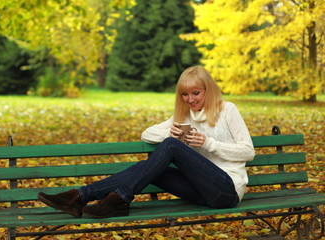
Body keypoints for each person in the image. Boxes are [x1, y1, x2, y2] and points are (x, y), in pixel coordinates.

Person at [38, 65, 255, 219]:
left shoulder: (228, 110)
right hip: (200, 194)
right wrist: (170, 131)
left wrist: (208, 143)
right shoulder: (184, 117)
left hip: (227, 190)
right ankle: (83, 197)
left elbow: (248, 152)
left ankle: (101, 197)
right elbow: (147, 134)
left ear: (208, 90)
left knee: (170, 147)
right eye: (185, 95)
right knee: (152, 164)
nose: (190, 100)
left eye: (196, 93)